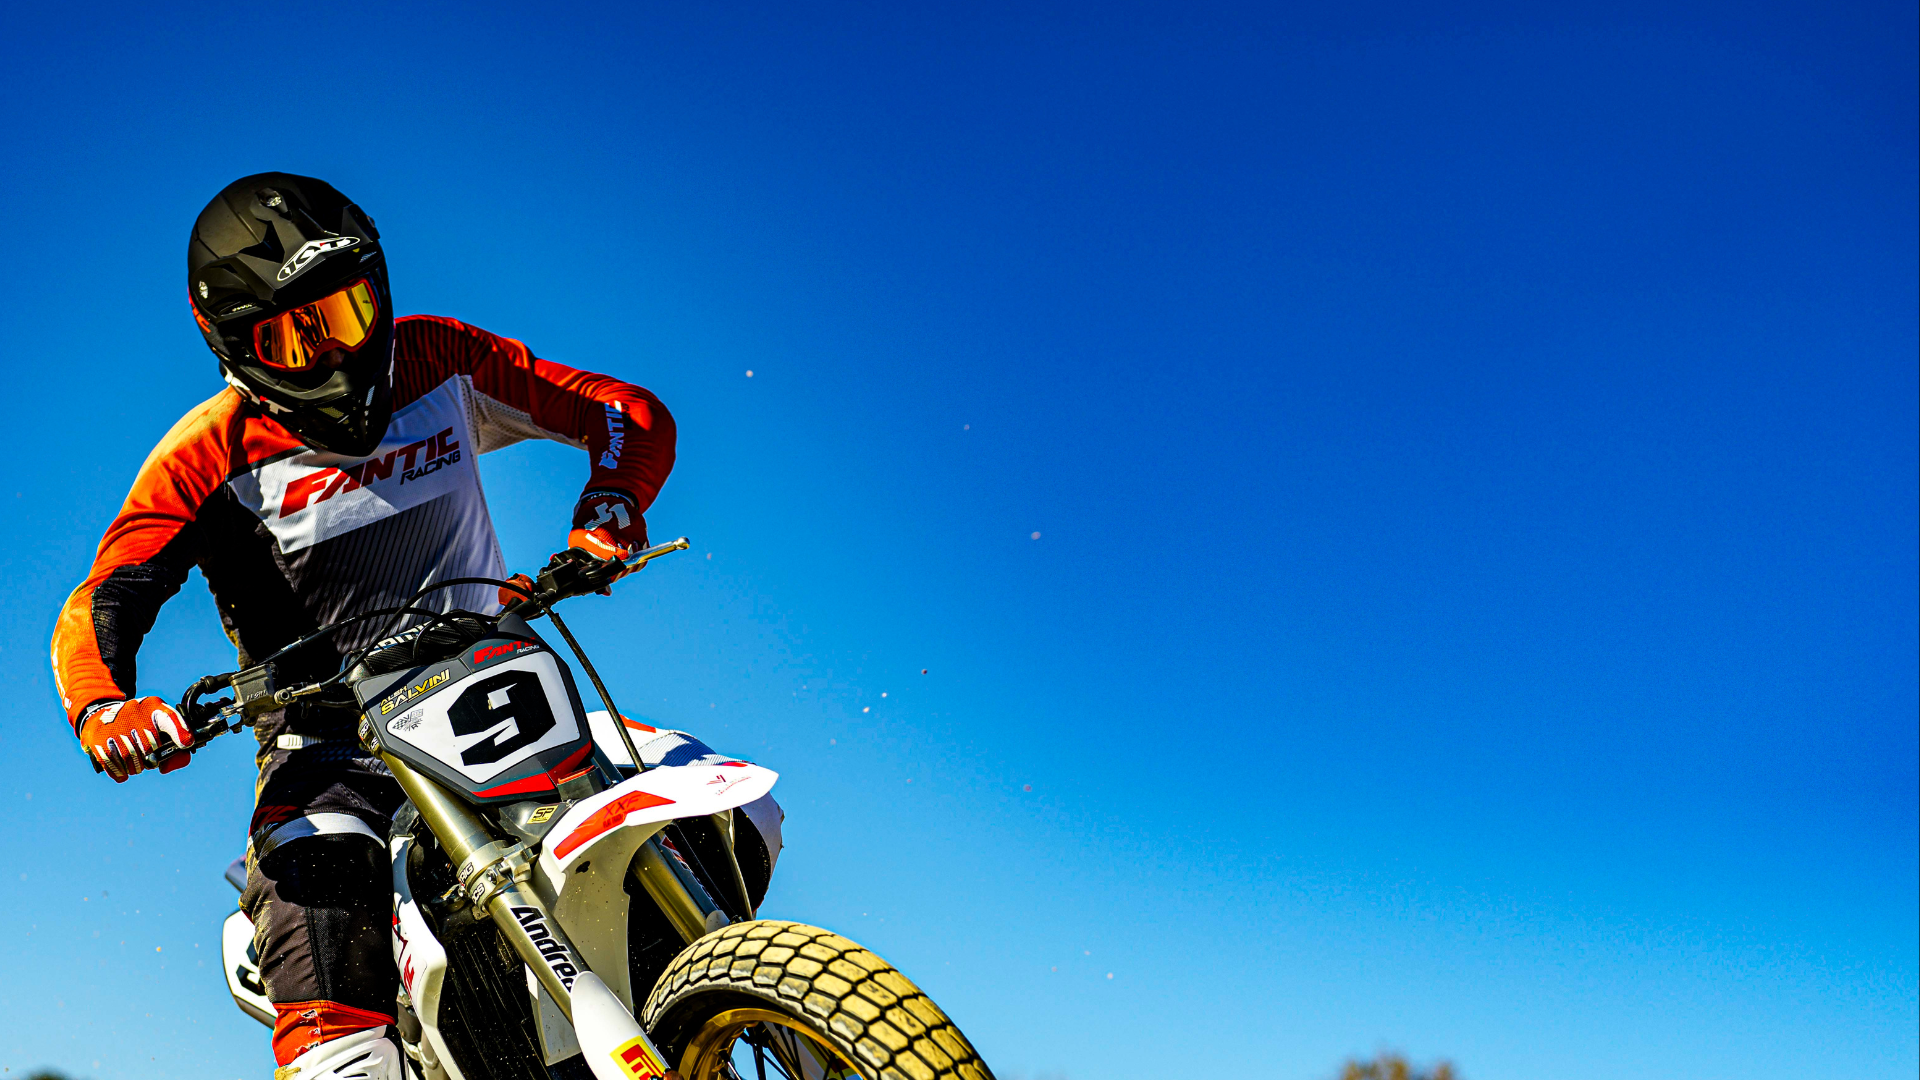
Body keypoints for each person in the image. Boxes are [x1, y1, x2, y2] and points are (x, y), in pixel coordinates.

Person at [50, 173, 705, 1078]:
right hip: (331, 747)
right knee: (337, 1050)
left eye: (347, 314)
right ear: (229, 344)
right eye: (290, 336)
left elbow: (625, 412)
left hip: (503, 692)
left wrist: (612, 503)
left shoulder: (437, 357)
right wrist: (105, 706)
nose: (331, 357)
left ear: (380, 291)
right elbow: (101, 601)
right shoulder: (205, 455)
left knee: (737, 805)